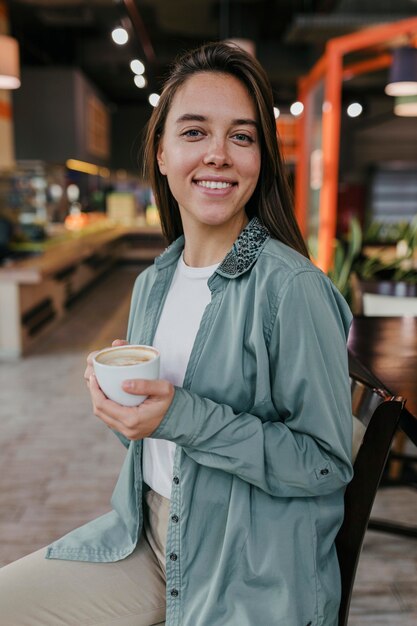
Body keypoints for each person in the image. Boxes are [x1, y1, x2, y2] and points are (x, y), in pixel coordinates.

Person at [0, 42, 353, 626]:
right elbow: (156, 449)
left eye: (241, 136)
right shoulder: (153, 283)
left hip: (245, 563)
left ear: (260, 158)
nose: (218, 154)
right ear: (161, 153)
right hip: (147, 537)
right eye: (195, 133)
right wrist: (126, 412)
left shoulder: (291, 289)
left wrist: (180, 416)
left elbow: (324, 464)